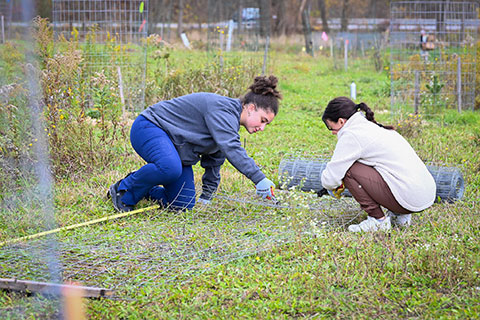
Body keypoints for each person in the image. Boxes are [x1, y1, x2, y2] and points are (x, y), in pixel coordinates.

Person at [108, 75, 282, 212]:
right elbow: (232, 148)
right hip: (149, 127)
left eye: (266, 124)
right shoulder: (223, 110)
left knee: (182, 204)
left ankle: (144, 187)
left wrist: (207, 194)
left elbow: (215, 161)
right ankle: (124, 190)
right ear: (251, 108)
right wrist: (259, 179)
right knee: (170, 168)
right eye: (263, 120)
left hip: (174, 147)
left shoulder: (228, 126)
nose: (262, 127)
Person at [320, 97, 436, 232]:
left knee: (349, 169)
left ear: (341, 121)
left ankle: (378, 220)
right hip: (423, 194)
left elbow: (330, 179)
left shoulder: (352, 135)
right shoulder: (374, 128)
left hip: (408, 198)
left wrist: (331, 187)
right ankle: (400, 216)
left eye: (331, 128)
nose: (333, 132)